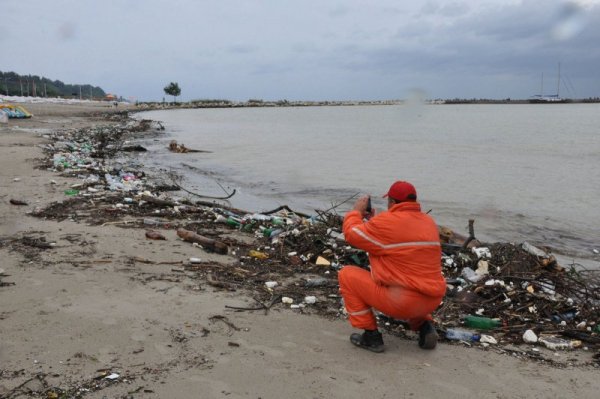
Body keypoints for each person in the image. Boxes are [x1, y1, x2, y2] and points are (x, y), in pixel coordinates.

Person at [338, 180, 446, 353]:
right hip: (432, 300)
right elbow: (398, 241)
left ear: (393, 202)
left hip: (402, 302)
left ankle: (371, 336)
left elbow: (351, 235)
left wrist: (355, 212)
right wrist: (372, 222)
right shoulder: (428, 222)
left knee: (347, 275)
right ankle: (424, 327)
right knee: (414, 282)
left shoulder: (387, 222)